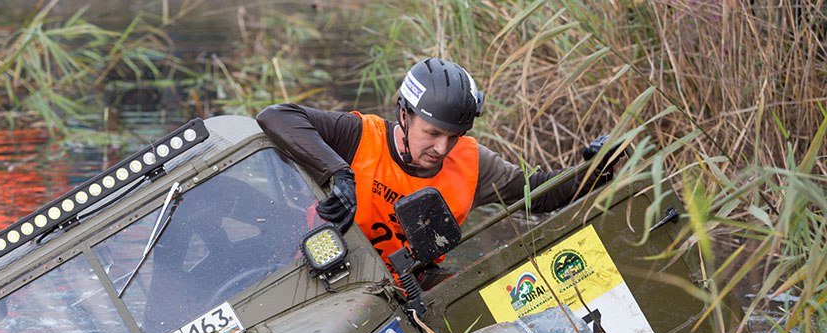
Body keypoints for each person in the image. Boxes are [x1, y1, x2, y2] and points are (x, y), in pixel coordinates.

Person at [256, 57, 614, 284]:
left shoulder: (474, 163)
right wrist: (337, 173)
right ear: (404, 115)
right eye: (432, 133)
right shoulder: (359, 136)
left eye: (454, 137)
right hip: (326, 276)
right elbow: (276, 116)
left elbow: (538, 194)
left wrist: (595, 169)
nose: (442, 149)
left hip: (414, 286)